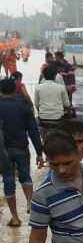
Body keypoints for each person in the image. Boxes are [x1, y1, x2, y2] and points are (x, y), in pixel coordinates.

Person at [0, 78, 43, 227]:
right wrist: (39, 152)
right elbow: (33, 130)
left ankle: (15, 217)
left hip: (3, 151)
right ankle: (30, 205)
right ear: (14, 90)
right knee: (25, 176)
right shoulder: (23, 105)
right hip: (21, 147)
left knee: (8, 180)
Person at [35, 64, 72, 133]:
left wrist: (42, 112)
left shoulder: (38, 88)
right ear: (55, 76)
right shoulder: (61, 88)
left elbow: (36, 104)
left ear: (44, 75)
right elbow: (67, 104)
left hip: (43, 118)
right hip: (58, 118)